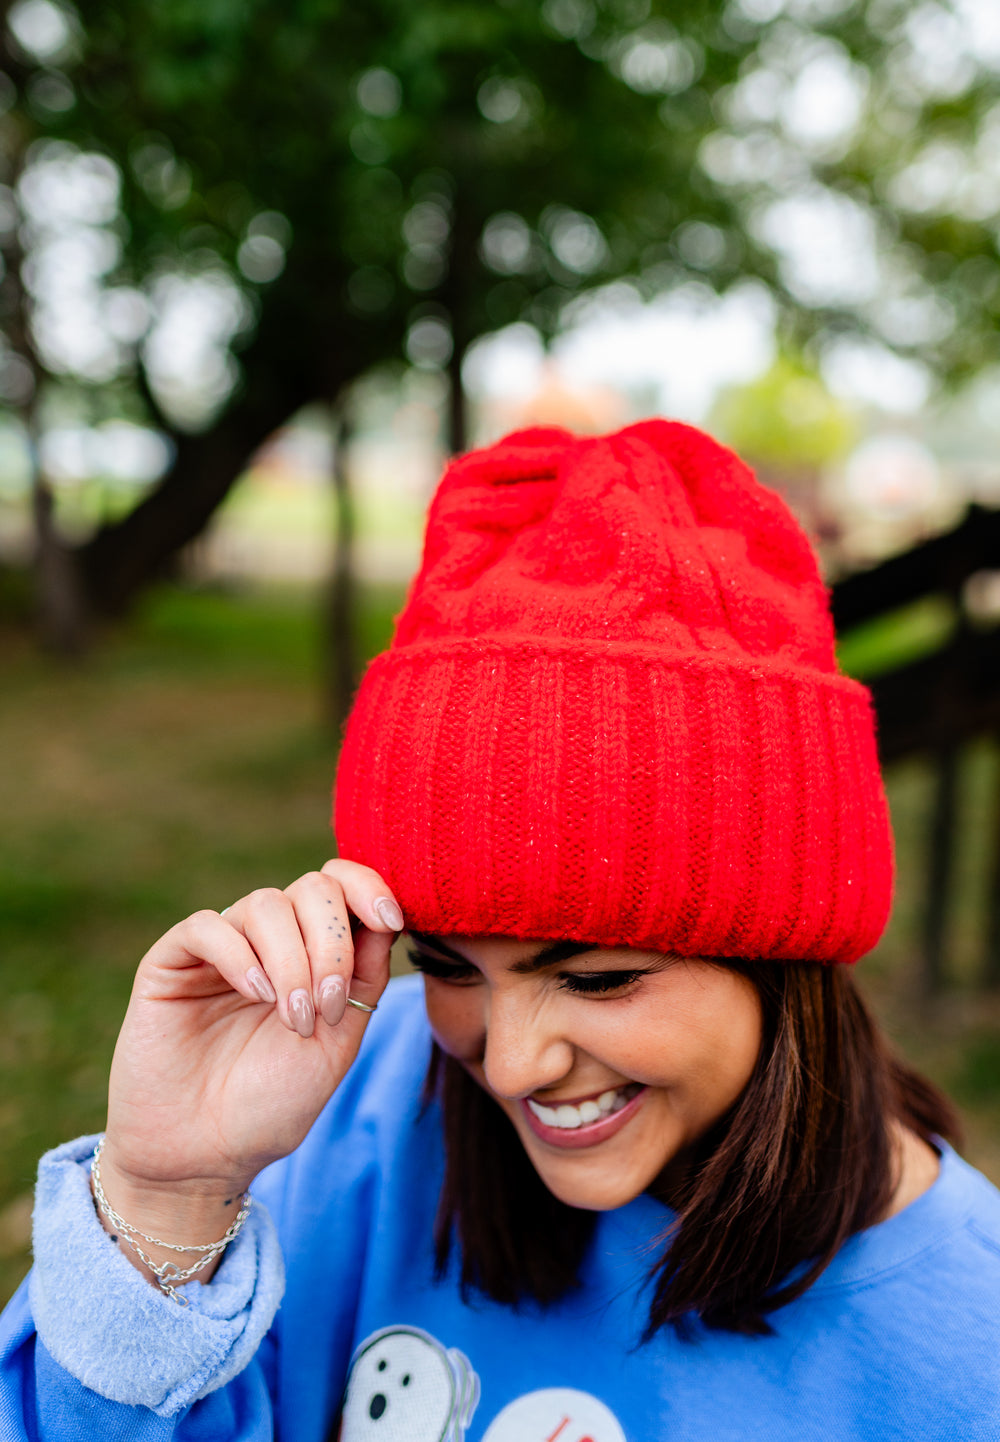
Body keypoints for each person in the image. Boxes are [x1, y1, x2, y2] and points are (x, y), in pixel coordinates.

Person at [1, 420, 998, 1442]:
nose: (513, 1062)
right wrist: (168, 1193)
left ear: (787, 954)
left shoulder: (970, 1351)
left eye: (597, 976)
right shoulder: (359, 1098)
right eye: (446, 963)